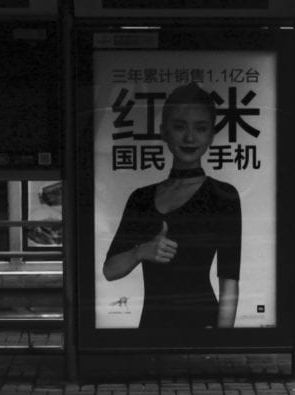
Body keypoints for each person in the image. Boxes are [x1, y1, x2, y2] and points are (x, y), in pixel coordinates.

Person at [103, 82, 241, 329]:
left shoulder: (223, 196)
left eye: (200, 128)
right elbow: (110, 271)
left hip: (203, 326)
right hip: (151, 328)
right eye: (179, 127)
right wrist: (140, 251)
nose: (189, 137)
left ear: (211, 135)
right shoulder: (141, 198)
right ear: (163, 131)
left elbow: (229, 280)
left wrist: (221, 341)